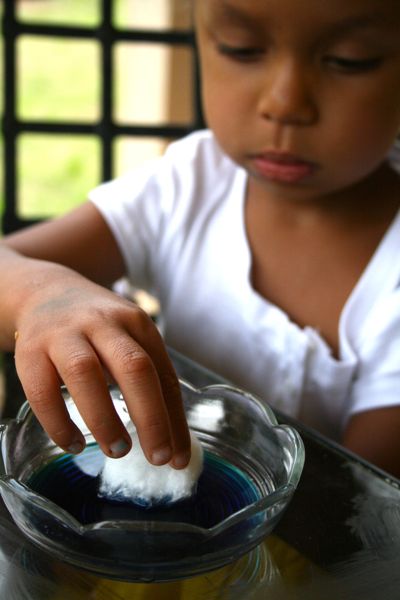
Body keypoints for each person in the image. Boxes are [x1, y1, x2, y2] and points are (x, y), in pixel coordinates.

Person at [1, 0, 400, 477]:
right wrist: (42, 296)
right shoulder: (190, 183)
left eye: (349, 59)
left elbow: (358, 508)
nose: (285, 103)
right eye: (242, 49)